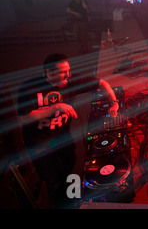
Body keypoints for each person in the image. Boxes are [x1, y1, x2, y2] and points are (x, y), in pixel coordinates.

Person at [17, 53, 119, 208]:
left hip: (63, 137)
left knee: (69, 166)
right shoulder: (29, 88)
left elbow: (103, 83)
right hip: (40, 144)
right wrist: (55, 107)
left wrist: (115, 103)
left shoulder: (70, 80)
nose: (68, 75)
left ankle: (70, 197)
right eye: (62, 72)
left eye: (68, 70)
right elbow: (24, 117)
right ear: (49, 73)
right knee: (53, 180)